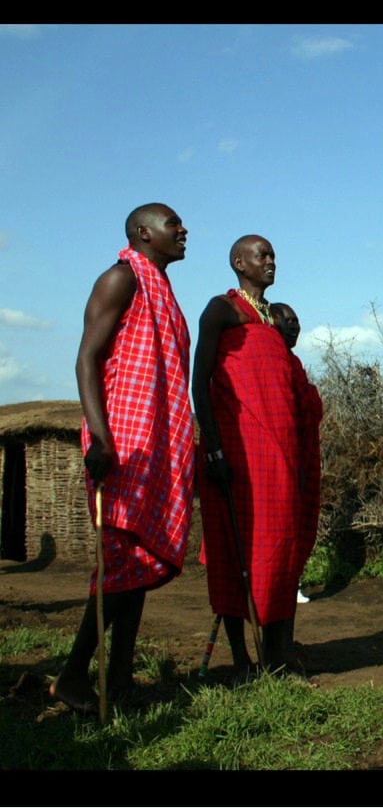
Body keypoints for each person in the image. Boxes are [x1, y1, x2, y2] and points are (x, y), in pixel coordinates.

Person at [49, 203, 195, 713]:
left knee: (139, 561)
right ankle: (71, 676)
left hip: (155, 441)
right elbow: (87, 358)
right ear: (142, 232)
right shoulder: (119, 279)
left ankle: (121, 677)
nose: (183, 230)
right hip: (124, 441)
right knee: (119, 565)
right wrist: (101, 437)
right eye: (173, 223)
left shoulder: (163, 289)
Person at [193, 235, 314, 677]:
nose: (270, 261)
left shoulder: (274, 323)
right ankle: (241, 657)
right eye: (262, 255)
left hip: (277, 456)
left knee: (278, 548)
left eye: (273, 255)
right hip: (238, 451)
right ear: (239, 262)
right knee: (234, 548)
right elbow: (199, 381)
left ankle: (276, 651)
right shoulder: (221, 310)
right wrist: (214, 447)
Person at [269, 301, 323, 608]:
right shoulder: (274, 365)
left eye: (297, 320)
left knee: (298, 524)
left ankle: (292, 582)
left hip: (303, 457)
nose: (294, 325)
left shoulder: (295, 363)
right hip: (283, 461)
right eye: (286, 320)